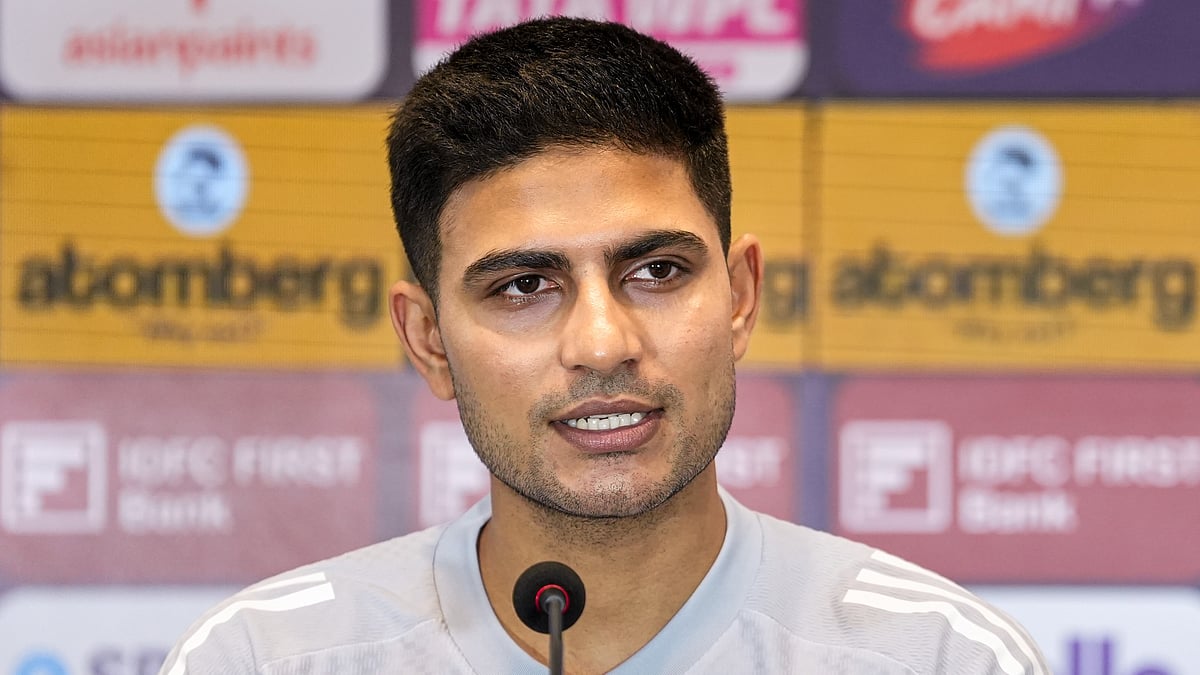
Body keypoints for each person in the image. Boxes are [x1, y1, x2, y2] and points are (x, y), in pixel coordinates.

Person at [160, 17, 1048, 674]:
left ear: (739, 298)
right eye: (521, 287)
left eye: (656, 271)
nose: (601, 342)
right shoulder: (263, 656)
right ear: (427, 340)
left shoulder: (939, 655)